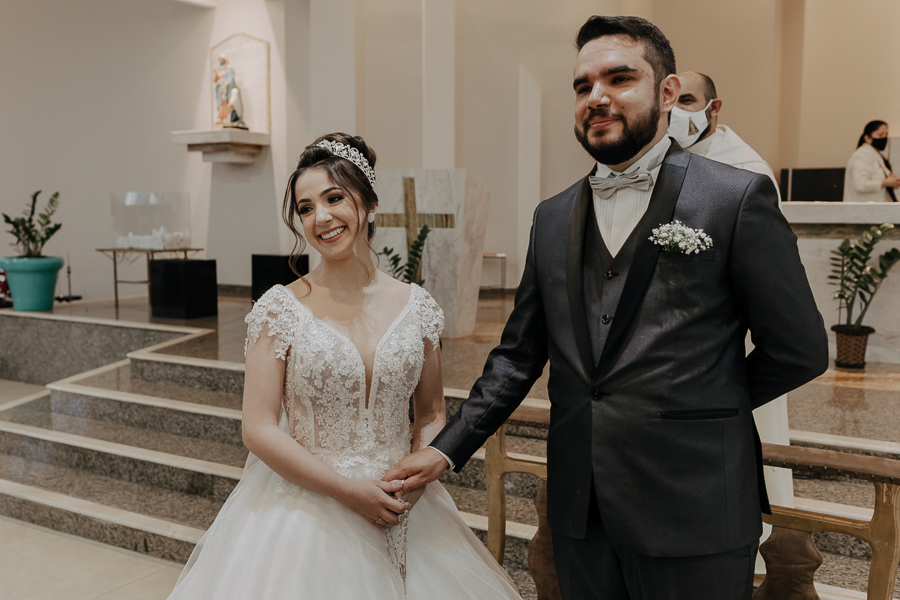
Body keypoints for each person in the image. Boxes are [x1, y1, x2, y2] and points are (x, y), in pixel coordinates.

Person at [386, 15, 828, 600]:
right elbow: (518, 356)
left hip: (694, 500)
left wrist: (701, 399)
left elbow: (799, 349)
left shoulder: (734, 198)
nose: (597, 97)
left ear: (667, 93)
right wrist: (447, 448)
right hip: (581, 508)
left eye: (620, 79)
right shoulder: (552, 217)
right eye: (582, 85)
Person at [166, 133, 521, 599]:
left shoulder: (419, 307)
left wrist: (413, 483)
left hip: (404, 504)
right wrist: (347, 490)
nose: (321, 218)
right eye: (306, 207)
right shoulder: (279, 310)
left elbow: (431, 414)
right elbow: (258, 428)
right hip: (308, 508)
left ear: (370, 203)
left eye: (334, 198)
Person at [669, 71, 778, 189]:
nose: (674, 110)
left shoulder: (748, 170)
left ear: (714, 107)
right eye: (671, 101)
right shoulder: (656, 159)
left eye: (686, 101)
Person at [843, 120, 900, 202]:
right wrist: (885, 183)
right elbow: (860, 185)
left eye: (886, 134)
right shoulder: (861, 156)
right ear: (867, 138)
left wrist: (892, 182)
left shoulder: (876, 155)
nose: (884, 138)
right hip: (863, 210)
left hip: (877, 209)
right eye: (880, 135)